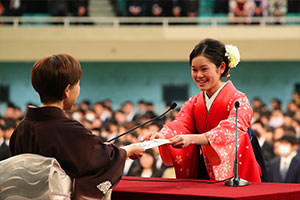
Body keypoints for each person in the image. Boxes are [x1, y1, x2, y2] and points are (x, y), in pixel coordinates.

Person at [9, 54, 145, 199]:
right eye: (78, 84)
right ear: (67, 90)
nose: (78, 89)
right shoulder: (70, 131)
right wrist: (126, 151)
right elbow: (102, 160)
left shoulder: (21, 129)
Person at [142, 38, 261, 182]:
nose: (199, 75)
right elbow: (181, 125)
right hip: (205, 166)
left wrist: (192, 139)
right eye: (194, 70)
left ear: (221, 68)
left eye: (204, 69)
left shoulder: (238, 100)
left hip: (237, 168)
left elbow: (232, 129)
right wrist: (163, 137)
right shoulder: (194, 102)